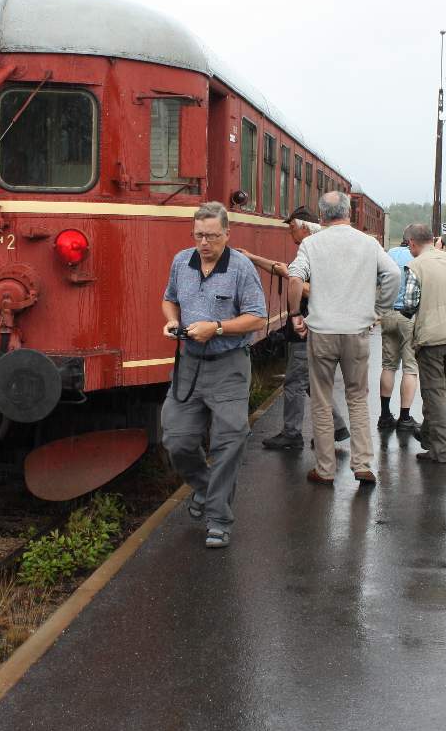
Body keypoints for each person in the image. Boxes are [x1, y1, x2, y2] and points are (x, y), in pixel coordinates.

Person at [160, 202, 267, 548]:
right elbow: (169, 299)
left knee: (229, 440)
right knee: (176, 439)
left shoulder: (241, 267)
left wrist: (217, 328)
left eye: (212, 236)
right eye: (199, 236)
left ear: (227, 234)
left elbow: (257, 317)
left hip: (229, 364)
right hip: (189, 364)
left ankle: (218, 520)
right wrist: (172, 320)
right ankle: (206, 489)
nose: (204, 243)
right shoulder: (181, 261)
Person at [288, 192, 400, 486]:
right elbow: (393, 274)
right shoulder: (368, 243)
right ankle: (362, 464)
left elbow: (295, 278)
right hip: (356, 332)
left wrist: (295, 314)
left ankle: (325, 469)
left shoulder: (311, 243)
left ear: (322, 216)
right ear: (349, 213)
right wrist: (378, 311)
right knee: (357, 397)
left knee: (322, 400)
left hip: (321, 333)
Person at [236, 207, 349, 451]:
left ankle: (292, 434)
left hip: (306, 329)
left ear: (304, 227)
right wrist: (252, 258)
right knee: (309, 383)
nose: (290, 233)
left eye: (292, 227)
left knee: (295, 383)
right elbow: (281, 268)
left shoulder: (316, 252)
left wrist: (291, 277)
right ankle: (337, 427)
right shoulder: (313, 250)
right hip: (309, 329)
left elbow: (318, 291)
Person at [398, 222, 446, 465]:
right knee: (445, 389)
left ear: (412, 243)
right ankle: (429, 434)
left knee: (434, 393)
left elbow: (409, 304)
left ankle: (443, 449)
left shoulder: (415, 266)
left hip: (431, 336)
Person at [377, 238, 419, 433]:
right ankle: (404, 418)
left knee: (388, 366)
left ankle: (385, 415)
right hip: (409, 317)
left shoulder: (390, 254)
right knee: (410, 368)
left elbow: (379, 280)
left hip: (388, 314)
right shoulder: (418, 256)